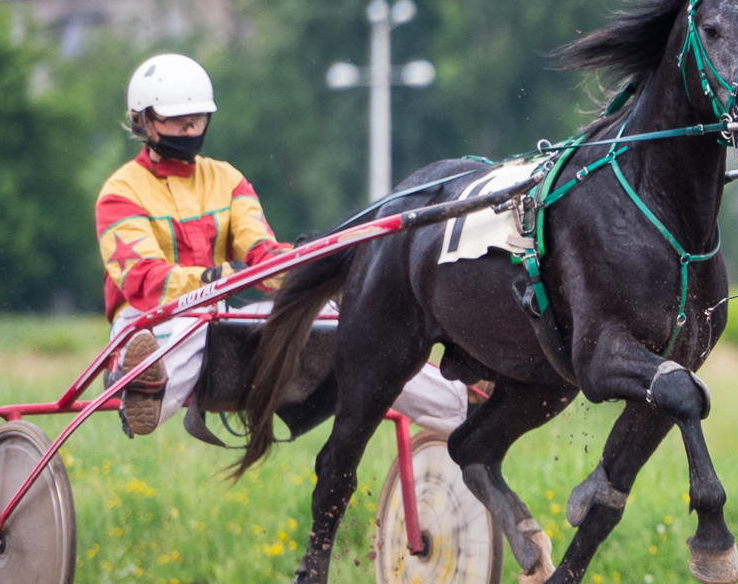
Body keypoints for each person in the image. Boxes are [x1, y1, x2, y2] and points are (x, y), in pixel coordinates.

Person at [97, 53, 467, 438]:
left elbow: (261, 251)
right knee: (194, 324)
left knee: (335, 319)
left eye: (197, 118)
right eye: (175, 119)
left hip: (216, 322)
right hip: (148, 324)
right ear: (143, 120)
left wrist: (309, 271)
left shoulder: (227, 179)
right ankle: (140, 392)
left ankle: (458, 404)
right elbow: (141, 279)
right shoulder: (120, 192)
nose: (189, 129)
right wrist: (217, 278)